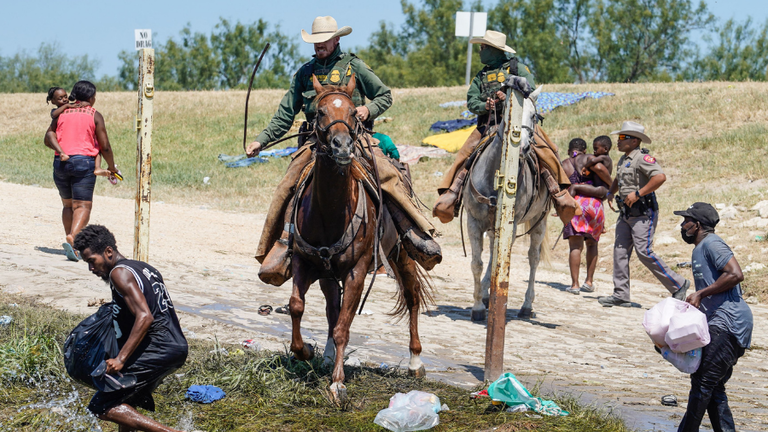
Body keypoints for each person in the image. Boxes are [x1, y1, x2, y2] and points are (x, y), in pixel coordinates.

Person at [246, 16, 440, 285]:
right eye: (315, 42)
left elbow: (384, 95)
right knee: (288, 183)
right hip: (316, 144)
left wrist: (366, 109)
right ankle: (279, 246)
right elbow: (284, 115)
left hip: (355, 139)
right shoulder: (305, 73)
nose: (319, 46)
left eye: (324, 40)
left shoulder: (354, 66)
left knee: (387, 174)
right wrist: (261, 141)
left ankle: (413, 233)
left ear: (337, 39)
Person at [432, 30, 579, 226]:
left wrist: (508, 93)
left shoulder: (517, 67)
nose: (480, 52)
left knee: (547, 151)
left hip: (520, 121)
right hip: (488, 125)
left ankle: (559, 193)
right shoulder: (480, 76)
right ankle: (453, 193)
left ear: (494, 50)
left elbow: (531, 90)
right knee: (464, 154)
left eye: (483, 48)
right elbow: (471, 100)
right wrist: (485, 106)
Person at [74, 224, 189, 432]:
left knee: (101, 406)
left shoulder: (119, 274)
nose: (91, 269)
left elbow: (145, 316)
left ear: (108, 252)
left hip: (158, 348)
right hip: (176, 346)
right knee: (126, 399)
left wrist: (121, 359)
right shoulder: (144, 268)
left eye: (92, 261)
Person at [672, 202, 752, 431]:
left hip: (729, 323)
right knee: (713, 387)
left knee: (703, 383)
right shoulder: (700, 248)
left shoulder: (712, 243)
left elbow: (736, 274)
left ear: (697, 225)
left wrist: (701, 293)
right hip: (720, 323)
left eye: (685, 220)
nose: (682, 225)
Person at [598, 121, 690, 307]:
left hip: (643, 213)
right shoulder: (625, 159)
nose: (618, 141)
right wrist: (610, 192)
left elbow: (660, 177)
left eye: (623, 138)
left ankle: (678, 284)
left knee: (644, 252)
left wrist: (639, 193)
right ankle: (621, 294)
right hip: (626, 213)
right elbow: (619, 177)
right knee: (620, 252)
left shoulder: (642, 158)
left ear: (634, 141)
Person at [44, 81, 119, 262]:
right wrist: (111, 166)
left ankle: (71, 244)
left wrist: (62, 151)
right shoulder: (94, 114)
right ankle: (74, 238)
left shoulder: (61, 113)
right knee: (83, 206)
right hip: (83, 162)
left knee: (68, 205)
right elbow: (105, 146)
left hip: (61, 163)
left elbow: (48, 138)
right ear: (91, 97)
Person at [561, 138, 612, 295]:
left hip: (574, 203)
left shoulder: (564, 164)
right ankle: (589, 282)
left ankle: (575, 284)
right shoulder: (589, 158)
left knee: (575, 246)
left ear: (570, 150)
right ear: (585, 149)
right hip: (594, 204)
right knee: (592, 243)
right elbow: (599, 168)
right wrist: (611, 186)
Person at [46, 87, 111, 178]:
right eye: (60, 98)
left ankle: (97, 167)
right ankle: (61, 153)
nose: (64, 100)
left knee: (95, 145)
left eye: (65, 96)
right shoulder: (57, 112)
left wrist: (85, 104)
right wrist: (67, 106)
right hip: (83, 159)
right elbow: (53, 115)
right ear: (53, 101)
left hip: (66, 162)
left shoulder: (69, 107)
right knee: (50, 134)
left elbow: (78, 104)